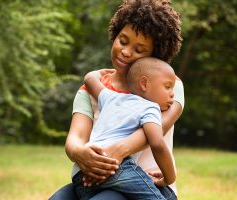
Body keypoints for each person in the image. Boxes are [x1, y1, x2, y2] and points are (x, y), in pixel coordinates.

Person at [49, 0, 184, 199]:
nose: (126, 51)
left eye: (139, 50)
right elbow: (75, 138)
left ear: (155, 56)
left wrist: (114, 152)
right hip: (93, 176)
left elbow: (155, 131)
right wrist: (81, 153)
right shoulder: (92, 89)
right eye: (123, 40)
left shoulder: (167, 87)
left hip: (148, 181)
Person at [72, 57, 177, 200]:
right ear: (144, 83)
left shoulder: (111, 98)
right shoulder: (150, 107)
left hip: (83, 170)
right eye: (167, 86)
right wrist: (169, 178)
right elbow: (157, 144)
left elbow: (89, 80)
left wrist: (99, 73)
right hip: (115, 168)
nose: (173, 93)